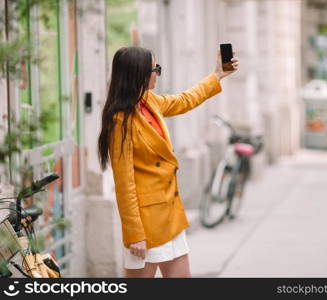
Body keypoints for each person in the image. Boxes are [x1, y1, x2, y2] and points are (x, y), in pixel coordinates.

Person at [97, 46, 239, 278]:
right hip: (146, 224)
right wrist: (135, 234)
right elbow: (125, 184)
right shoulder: (120, 122)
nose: (157, 73)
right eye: (156, 69)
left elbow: (185, 100)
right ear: (139, 73)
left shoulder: (149, 102)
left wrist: (217, 75)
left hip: (169, 213)